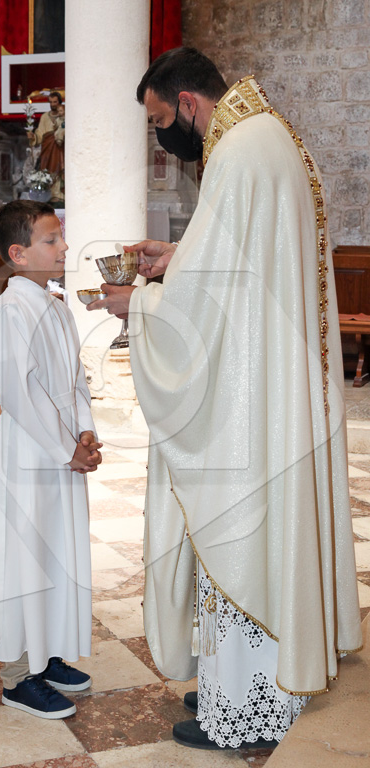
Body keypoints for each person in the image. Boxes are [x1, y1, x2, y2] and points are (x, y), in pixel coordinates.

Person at [88, 47, 363, 749]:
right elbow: (244, 266)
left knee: (239, 532)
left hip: (248, 403)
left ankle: (240, 707)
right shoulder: (272, 136)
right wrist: (176, 258)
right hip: (275, 382)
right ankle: (247, 685)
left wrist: (137, 303)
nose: (163, 139)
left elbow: (209, 305)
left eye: (160, 121)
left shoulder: (236, 152)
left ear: (187, 103)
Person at [0, 199, 102, 720]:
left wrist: (85, 430)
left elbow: (75, 380)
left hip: (62, 452)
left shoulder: (57, 305)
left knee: (55, 553)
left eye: (61, 236)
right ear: (18, 254)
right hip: (30, 452)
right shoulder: (9, 310)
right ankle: (16, 676)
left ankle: (45, 655)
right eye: (51, 239)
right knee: (23, 558)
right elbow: (18, 393)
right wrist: (66, 448)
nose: (64, 246)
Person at [27, 91, 65, 203]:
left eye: (55, 102)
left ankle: (60, 195)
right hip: (48, 150)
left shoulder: (65, 116)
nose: (53, 104)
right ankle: (50, 194)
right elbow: (40, 134)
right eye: (51, 102)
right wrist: (33, 137)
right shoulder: (45, 117)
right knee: (48, 171)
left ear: (60, 102)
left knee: (61, 169)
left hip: (61, 149)